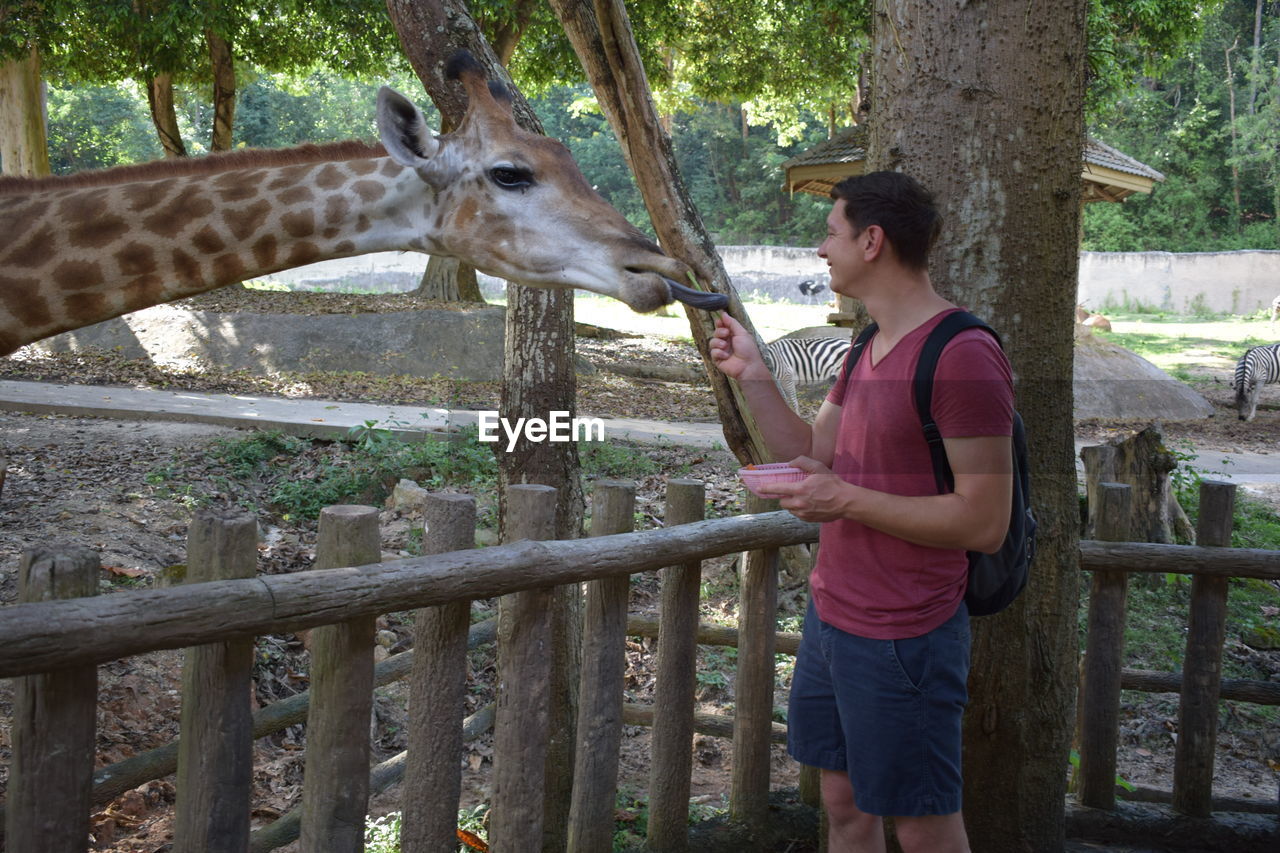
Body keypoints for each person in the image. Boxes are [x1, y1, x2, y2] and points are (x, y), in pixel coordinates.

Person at [709, 171, 1014, 853]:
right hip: (833, 616)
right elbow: (816, 450)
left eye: (831, 231)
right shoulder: (865, 347)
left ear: (871, 240)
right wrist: (756, 377)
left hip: (907, 631)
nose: (821, 248)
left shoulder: (963, 355)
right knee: (843, 804)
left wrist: (843, 499)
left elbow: (984, 520)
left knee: (923, 824)